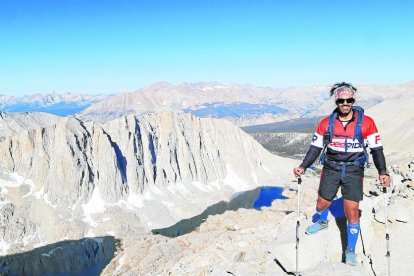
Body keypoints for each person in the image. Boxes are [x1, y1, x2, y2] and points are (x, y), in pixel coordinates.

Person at [293, 82, 391, 266]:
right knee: (322, 204)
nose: (345, 103)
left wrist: (382, 172)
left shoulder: (366, 123)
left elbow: (377, 149)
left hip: (354, 169)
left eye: (349, 100)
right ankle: (322, 221)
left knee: (352, 211)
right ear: (336, 101)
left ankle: (351, 250)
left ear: (353, 100)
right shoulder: (326, 123)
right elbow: (315, 147)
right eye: (341, 100)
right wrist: (303, 166)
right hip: (331, 168)